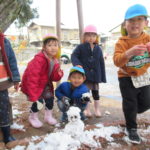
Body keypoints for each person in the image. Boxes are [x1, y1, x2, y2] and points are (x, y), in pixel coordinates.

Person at [113, 4, 150, 144]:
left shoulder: (147, 39)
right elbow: (117, 61)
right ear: (124, 24)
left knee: (147, 102)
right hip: (126, 77)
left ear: (146, 23)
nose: (135, 23)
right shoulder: (122, 42)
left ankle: (133, 111)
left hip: (143, 77)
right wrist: (129, 53)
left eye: (139, 19)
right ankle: (131, 128)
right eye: (131, 20)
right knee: (130, 103)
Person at [21, 34, 63, 128]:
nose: (53, 48)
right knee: (38, 102)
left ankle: (48, 116)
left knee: (50, 99)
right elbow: (33, 77)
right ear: (44, 47)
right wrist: (33, 93)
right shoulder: (39, 59)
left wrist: (59, 73)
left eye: (55, 45)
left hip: (45, 83)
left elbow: (54, 78)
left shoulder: (54, 60)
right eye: (50, 45)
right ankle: (33, 117)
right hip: (35, 84)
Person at [71, 25, 106, 117]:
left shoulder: (98, 48)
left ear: (96, 37)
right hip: (85, 76)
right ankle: (87, 110)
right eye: (88, 35)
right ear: (84, 36)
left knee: (96, 93)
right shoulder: (80, 47)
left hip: (95, 76)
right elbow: (74, 56)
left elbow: (101, 62)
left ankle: (97, 110)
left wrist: (102, 76)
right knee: (86, 94)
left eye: (93, 35)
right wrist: (77, 64)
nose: (91, 38)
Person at [0, 32, 20, 144]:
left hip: (1, 85)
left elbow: (12, 61)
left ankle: (7, 135)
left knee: (4, 109)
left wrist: (16, 79)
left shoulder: (4, 41)